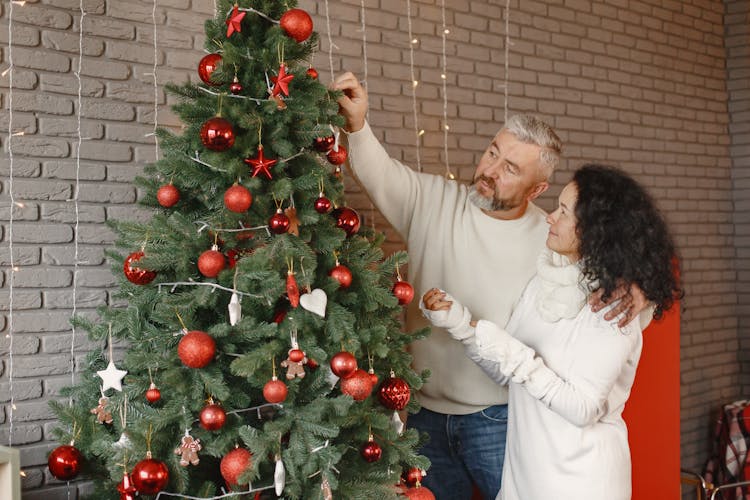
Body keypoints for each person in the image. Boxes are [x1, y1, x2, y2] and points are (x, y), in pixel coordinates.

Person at [333, 72, 647, 499]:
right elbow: (379, 173)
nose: (489, 171)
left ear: (537, 188)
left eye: (510, 168)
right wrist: (358, 124)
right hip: (422, 415)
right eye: (492, 154)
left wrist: (640, 290)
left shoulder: (553, 237)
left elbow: (615, 262)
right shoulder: (432, 201)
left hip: (501, 420)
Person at [421, 164, 683, 499]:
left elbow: (581, 408)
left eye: (563, 211)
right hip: (525, 478)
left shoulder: (615, 306)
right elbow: (507, 372)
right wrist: (460, 324)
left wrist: (512, 351)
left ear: (595, 230)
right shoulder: (542, 282)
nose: (549, 217)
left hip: (581, 483)